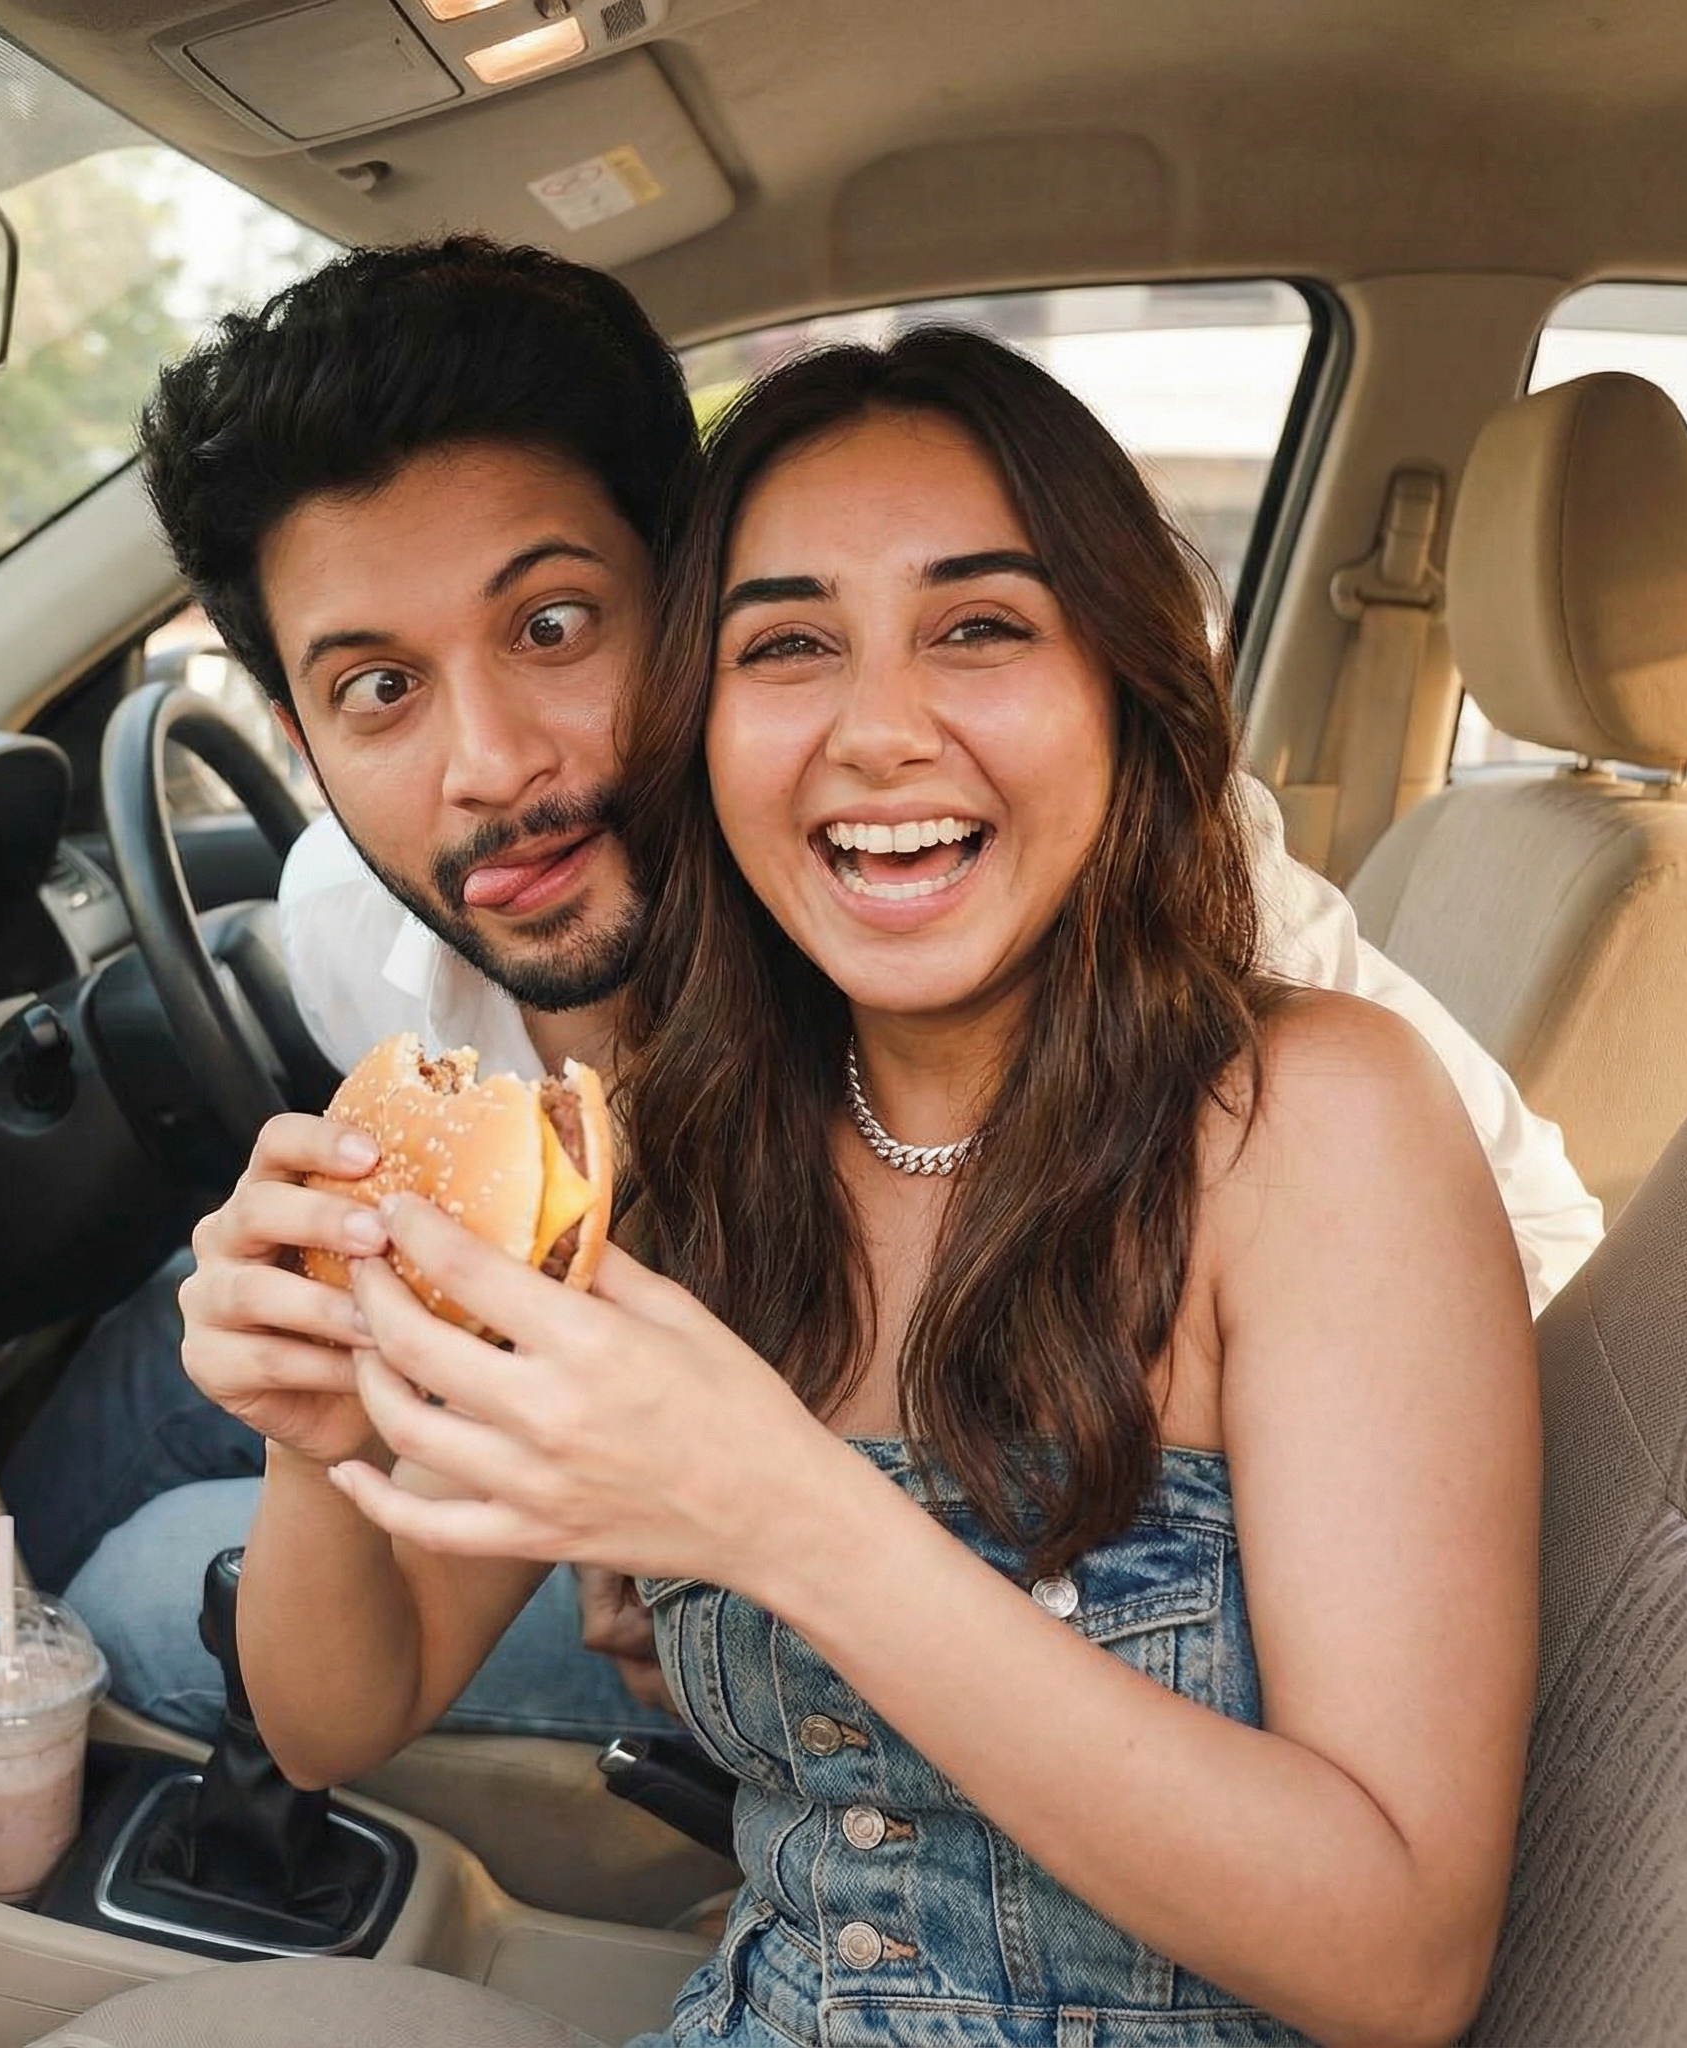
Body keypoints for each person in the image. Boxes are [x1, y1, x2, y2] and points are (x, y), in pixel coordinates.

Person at [13, 236, 1596, 1747]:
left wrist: (799, 1518)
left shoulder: (1187, 965)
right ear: (298, 736)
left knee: (150, 1592)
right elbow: (351, 1689)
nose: (491, 767)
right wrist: (353, 1422)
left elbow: (1475, 1348)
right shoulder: (413, 973)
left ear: (690, 598)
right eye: (377, 690)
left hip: (1239, 1599)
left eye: (556, 626)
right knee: (159, 1395)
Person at [199, 327, 1541, 2043]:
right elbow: (341, 1717)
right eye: (790, 649)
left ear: (1123, 688)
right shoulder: (672, 1147)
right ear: (701, 726)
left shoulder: (1314, 1121)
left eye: (980, 627)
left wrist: (784, 1515)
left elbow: (1402, 1966)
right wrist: (311, 1423)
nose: (881, 731)